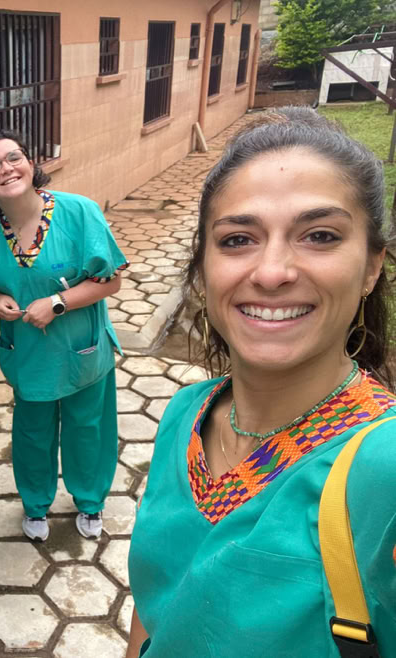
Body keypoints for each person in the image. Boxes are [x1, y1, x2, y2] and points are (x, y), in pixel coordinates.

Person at [126, 107, 396, 657]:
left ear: (371, 266)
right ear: (203, 268)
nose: (272, 272)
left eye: (319, 236)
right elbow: (156, 604)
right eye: (237, 240)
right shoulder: (186, 413)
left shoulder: (383, 469)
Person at [0, 130, 126, 542]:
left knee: (87, 428)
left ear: (30, 163)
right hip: (27, 351)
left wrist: (57, 302)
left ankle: (90, 500)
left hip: (81, 349)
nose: (6, 169)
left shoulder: (78, 212)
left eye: (14, 157)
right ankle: (36, 502)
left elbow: (110, 280)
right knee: (32, 432)